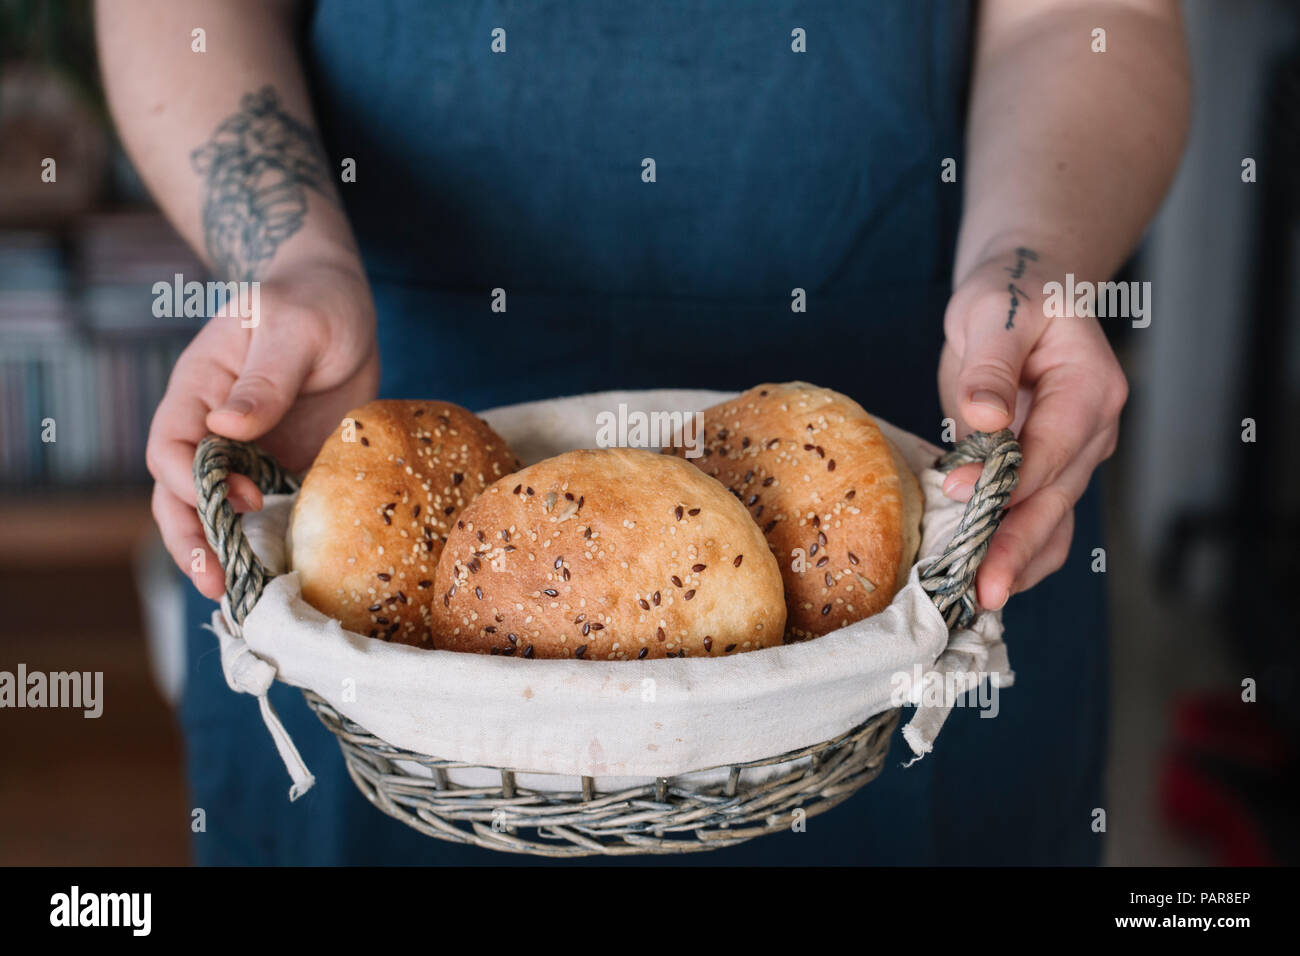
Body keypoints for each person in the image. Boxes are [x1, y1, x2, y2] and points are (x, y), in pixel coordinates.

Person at [98, 0, 1190, 865]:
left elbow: (1090, 19)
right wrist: (288, 264)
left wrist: (1029, 266)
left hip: (920, 496)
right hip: (372, 455)